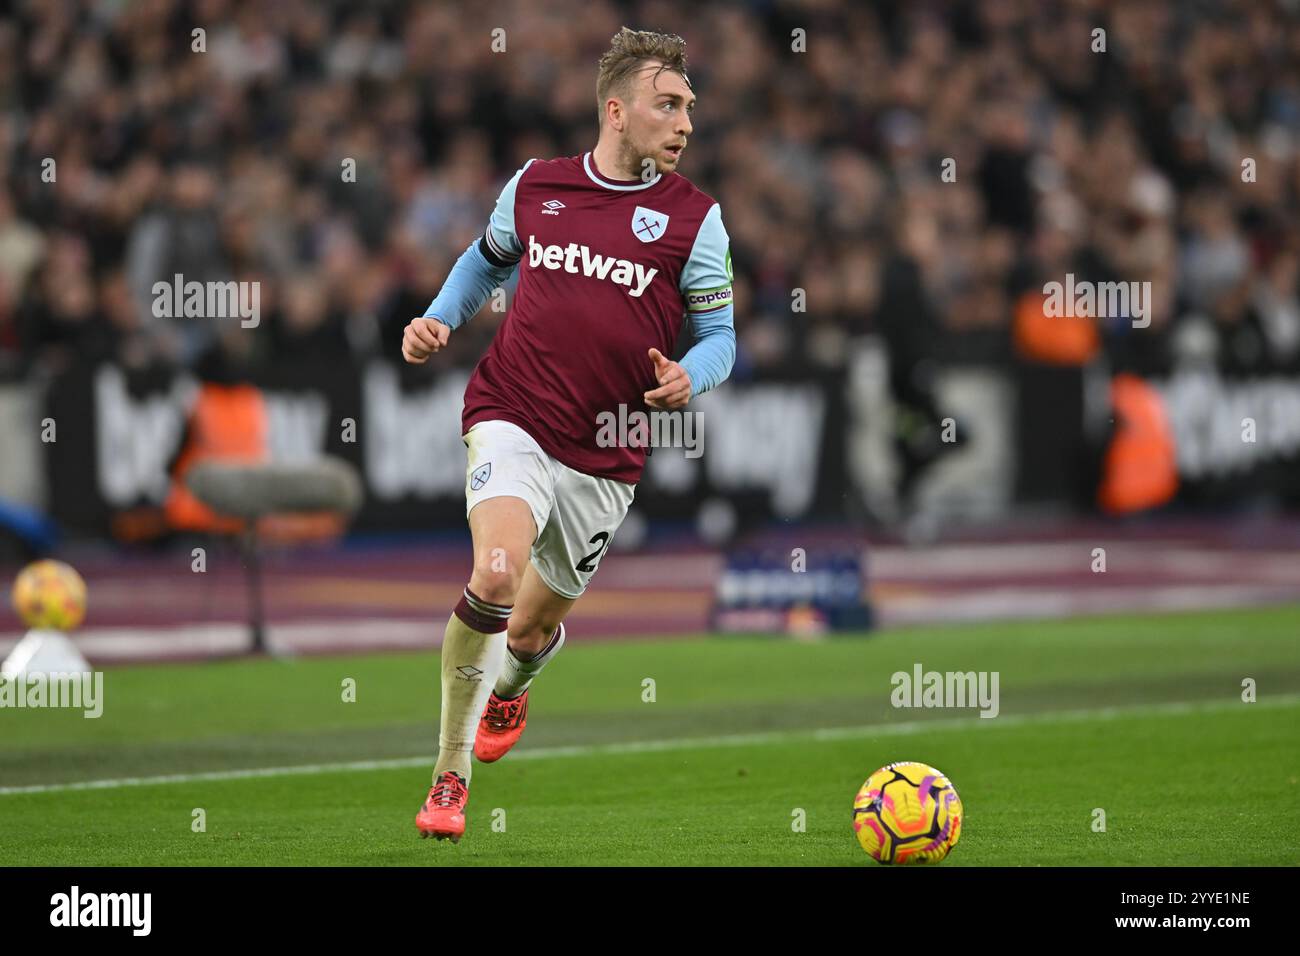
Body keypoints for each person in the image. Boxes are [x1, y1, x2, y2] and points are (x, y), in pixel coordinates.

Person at [402, 27, 736, 842]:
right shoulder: (537, 186)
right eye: (669, 104)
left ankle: (518, 677)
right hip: (512, 412)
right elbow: (487, 260)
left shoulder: (696, 221)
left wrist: (692, 375)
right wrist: (440, 318)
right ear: (617, 112)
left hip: (607, 453)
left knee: (530, 625)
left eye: (690, 106)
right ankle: (450, 778)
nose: (686, 121)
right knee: (495, 574)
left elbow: (721, 336)